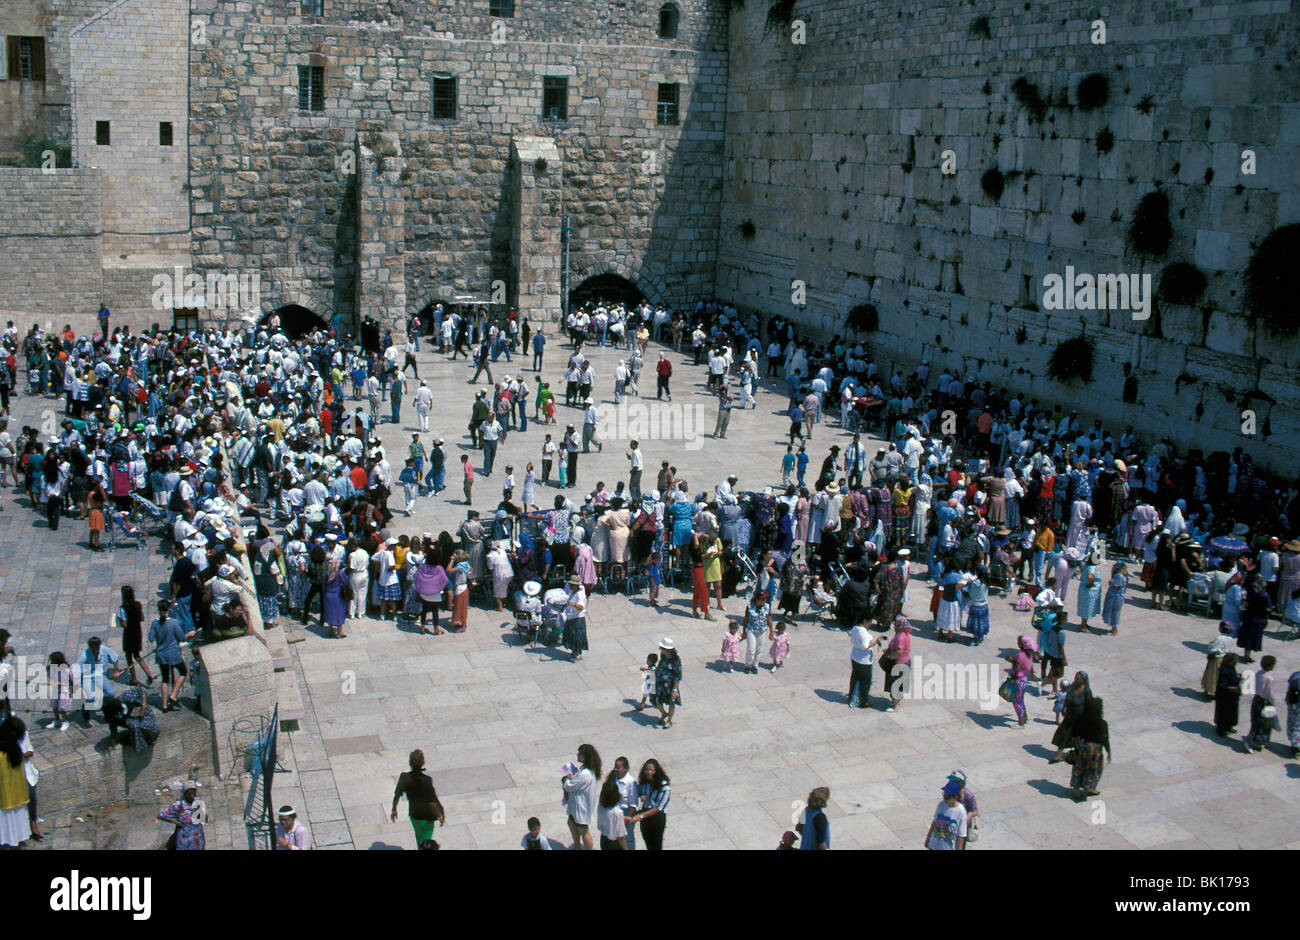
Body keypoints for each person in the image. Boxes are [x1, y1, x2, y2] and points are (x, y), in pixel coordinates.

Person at [391, 749, 446, 848]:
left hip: (414, 815)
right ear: (423, 763)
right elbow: (431, 802)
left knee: (419, 837)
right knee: (426, 843)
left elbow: (397, 794)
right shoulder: (427, 781)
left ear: (410, 763)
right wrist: (440, 816)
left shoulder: (404, 777)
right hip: (427, 817)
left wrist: (394, 809)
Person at [148, 600, 194, 712]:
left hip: (161, 654)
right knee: (183, 672)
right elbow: (182, 638)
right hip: (173, 653)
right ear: (168, 609)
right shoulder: (174, 623)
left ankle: (164, 706)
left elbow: (151, 638)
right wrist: (190, 634)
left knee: (165, 678)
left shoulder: (155, 622)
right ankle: (173, 695)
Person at [1069, 697, 1112, 801]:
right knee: (1094, 770)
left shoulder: (1080, 720)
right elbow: (1104, 739)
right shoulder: (1102, 724)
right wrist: (1108, 751)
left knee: (1079, 767)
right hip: (1095, 751)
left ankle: (1077, 790)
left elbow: (1074, 734)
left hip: (1082, 747)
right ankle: (1089, 788)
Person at [0, 715, 31, 847]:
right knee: (20, 826)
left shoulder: (2, 755)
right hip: (19, 796)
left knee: (7, 826)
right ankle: (21, 845)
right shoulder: (17, 753)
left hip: (5, 798)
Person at [562, 743, 600, 850]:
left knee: (583, 831)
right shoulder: (584, 770)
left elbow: (569, 786)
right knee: (571, 823)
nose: (577, 755)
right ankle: (577, 846)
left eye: (580, 753)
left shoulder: (586, 774)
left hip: (581, 808)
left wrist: (566, 781)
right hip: (576, 806)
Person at [116, 585, 154, 687]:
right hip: (137, 632)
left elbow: (124, 624)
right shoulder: (138, 605)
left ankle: (134, 679)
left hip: (128, 634)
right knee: (137, 655)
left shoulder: (122, 609)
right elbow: (142, 618)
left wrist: (119, 620)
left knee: (129, 657)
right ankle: (148, 674)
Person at [631, 758, 670, 850]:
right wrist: (641, 795)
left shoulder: (664, 787)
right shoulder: (644, 782)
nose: (649, 772)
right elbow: (639, 791)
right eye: (647, 770)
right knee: (648, 843)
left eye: (652, 770)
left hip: (657, 818)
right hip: (645, 817)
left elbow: (659, 808)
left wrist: (640, 816)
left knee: (656, 845)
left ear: (656, 771)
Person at [158, 780, 206, 850]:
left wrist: (200, 811)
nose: (192, 795)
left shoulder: (198, 801)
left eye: (194, 792)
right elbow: (161, 816)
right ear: (185, 793)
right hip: (184, 836)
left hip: (197, 836)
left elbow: (204, 819)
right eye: (190, 793)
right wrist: (177, 823)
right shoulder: (179, 804)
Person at [1244, 655, 1278, 754]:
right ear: (1270, 666)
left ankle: (1254, 740)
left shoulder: (1258, 673)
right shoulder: (1269, 679)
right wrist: (1273, 703)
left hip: (1256, 700)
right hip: (1264, 702)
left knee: (1255, 721)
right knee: (1263, 724)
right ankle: (1253, 742)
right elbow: (1270, 694)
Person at [847, 620, 885, 709]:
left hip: (855, 657)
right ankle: (863, 701)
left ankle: (851, 697)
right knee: (865, 682)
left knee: (855, 678)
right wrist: (877, 641)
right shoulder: (863, 632)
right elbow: (865, 646)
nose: (871, 623)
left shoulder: (855, 628)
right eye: (870, 621)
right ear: (865, 621)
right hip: (863, 661)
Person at [924, 778, 968, 850]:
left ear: (956, 797)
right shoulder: (941, 805)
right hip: (934, 846)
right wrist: (928, 839)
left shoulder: (961, 812)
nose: (945, 798)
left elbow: (961, 836)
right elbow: (934, 822)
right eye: (944, 795)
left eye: (947, 797)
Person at [653, 638, 682, 729]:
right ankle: (664, 713)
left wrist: (674, 690)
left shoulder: (676, 661)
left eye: (663, 648)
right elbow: (661, 663)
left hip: (670, 685)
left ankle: (669, 720)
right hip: (660, 683)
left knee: (671, 703)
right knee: (657, 701)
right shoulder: (663, 655)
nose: (662, 650)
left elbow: (678, 676)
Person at [597, 772, 628, 850]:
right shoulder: (618, 812)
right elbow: (621, 836)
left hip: (603, 839)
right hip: (614, 844)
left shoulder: (600, 806)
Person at [1214, 653, 1242, 738]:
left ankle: (1229, 726)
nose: (1237, 662)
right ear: (1230, 662)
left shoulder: (1231, 667)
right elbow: (1222, 686)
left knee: (1232, 713)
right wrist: (1233, 688)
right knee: (1224, 714)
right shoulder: (1224, 671)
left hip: (1232, 697)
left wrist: (1238, 678)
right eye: (1235, 661)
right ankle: (1221, 730)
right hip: (1225, 697)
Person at [1102, 562, 1128, 636]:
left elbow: (1111, 583)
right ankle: (1113, 628)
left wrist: (1112, 573)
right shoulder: (1123, 575)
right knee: (1115, 612)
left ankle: (1114, 629)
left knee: (1114, 613)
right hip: (1118, 597)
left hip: (1115, 597)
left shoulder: (1118, 576)